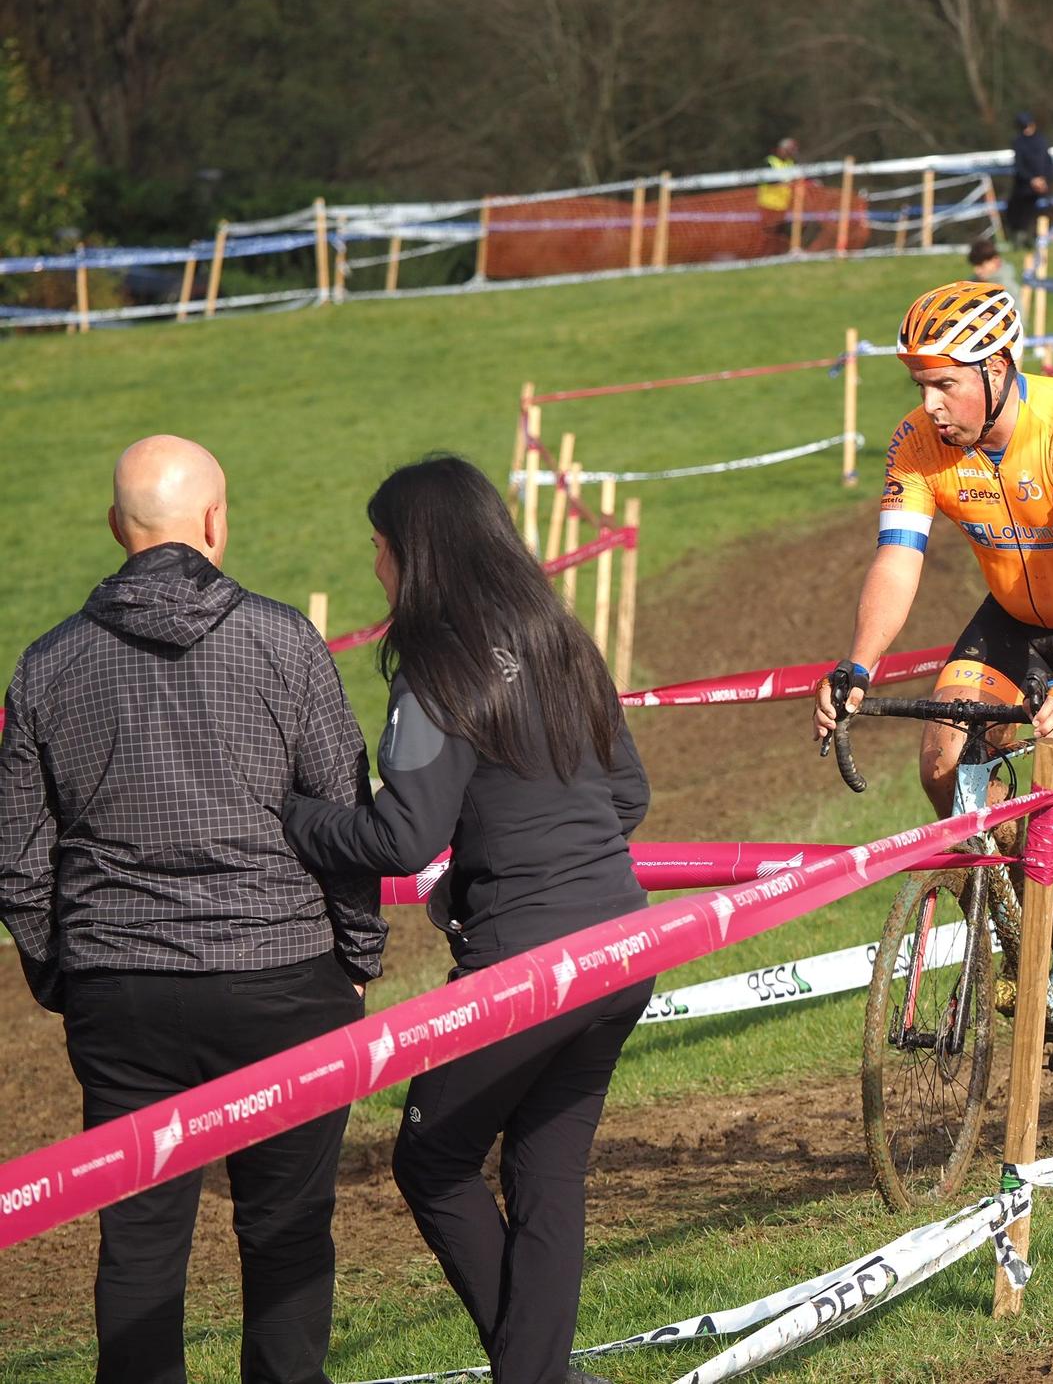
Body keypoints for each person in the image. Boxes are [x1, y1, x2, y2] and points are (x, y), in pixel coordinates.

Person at [0, 435, 382, 1384]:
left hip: (121, 990)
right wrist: (358, 955)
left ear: (114, 529)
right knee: (288, 1231)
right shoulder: (284, 638)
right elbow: (347, 815)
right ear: (215, 522)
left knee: (138, 1236)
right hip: (283, 978)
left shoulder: (45, 666)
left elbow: (15, 860)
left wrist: (66, 971)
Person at [281, 456, 651, 1384]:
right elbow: (629, 796)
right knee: (546, 1176)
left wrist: (290, 816)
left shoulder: (435, 670)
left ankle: (540, 1377)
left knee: (434, 1158)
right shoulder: (561, 637)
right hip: (626, 939)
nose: (374, 568)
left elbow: (401, 836)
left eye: (379, 548)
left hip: (526, 967)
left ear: (418, 553)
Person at [810, 281, 1053, 1064]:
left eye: (947, 382)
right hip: (1016, 614)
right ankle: (1021, 935)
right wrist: (858, 664)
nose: (933, 404)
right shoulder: (918, 443)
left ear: (999, 366)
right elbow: (896, 560)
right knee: (946, 762)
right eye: (922, 385)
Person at [1005, 111, 1053, 247]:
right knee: (1021, 213)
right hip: (1025, 187)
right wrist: (1032, 180)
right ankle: (1022, 239)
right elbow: (1019, 166)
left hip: (1043, 185)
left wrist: (1044, 179)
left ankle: (1049, 236)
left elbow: (1047, 162)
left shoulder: (1041, 140)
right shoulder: (1019, 142)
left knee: (1048, 210)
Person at [758, 136, 800, 248]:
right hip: (769, 205)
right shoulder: (769, 162)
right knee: (770, 234)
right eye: (789, 151)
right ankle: (764, 256)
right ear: (781, 149)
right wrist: (787, 183)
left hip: (783, 206)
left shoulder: (791, 163)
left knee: (782, 234)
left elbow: (796, 178)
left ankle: (783, 254)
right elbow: (767, 180)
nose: (790, 154)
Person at [968, 236, 1019, 301]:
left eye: (981, 265)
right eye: (975, 265)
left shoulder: (1005, 289)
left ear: (996, 261)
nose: (977, 271)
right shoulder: (976, 282)